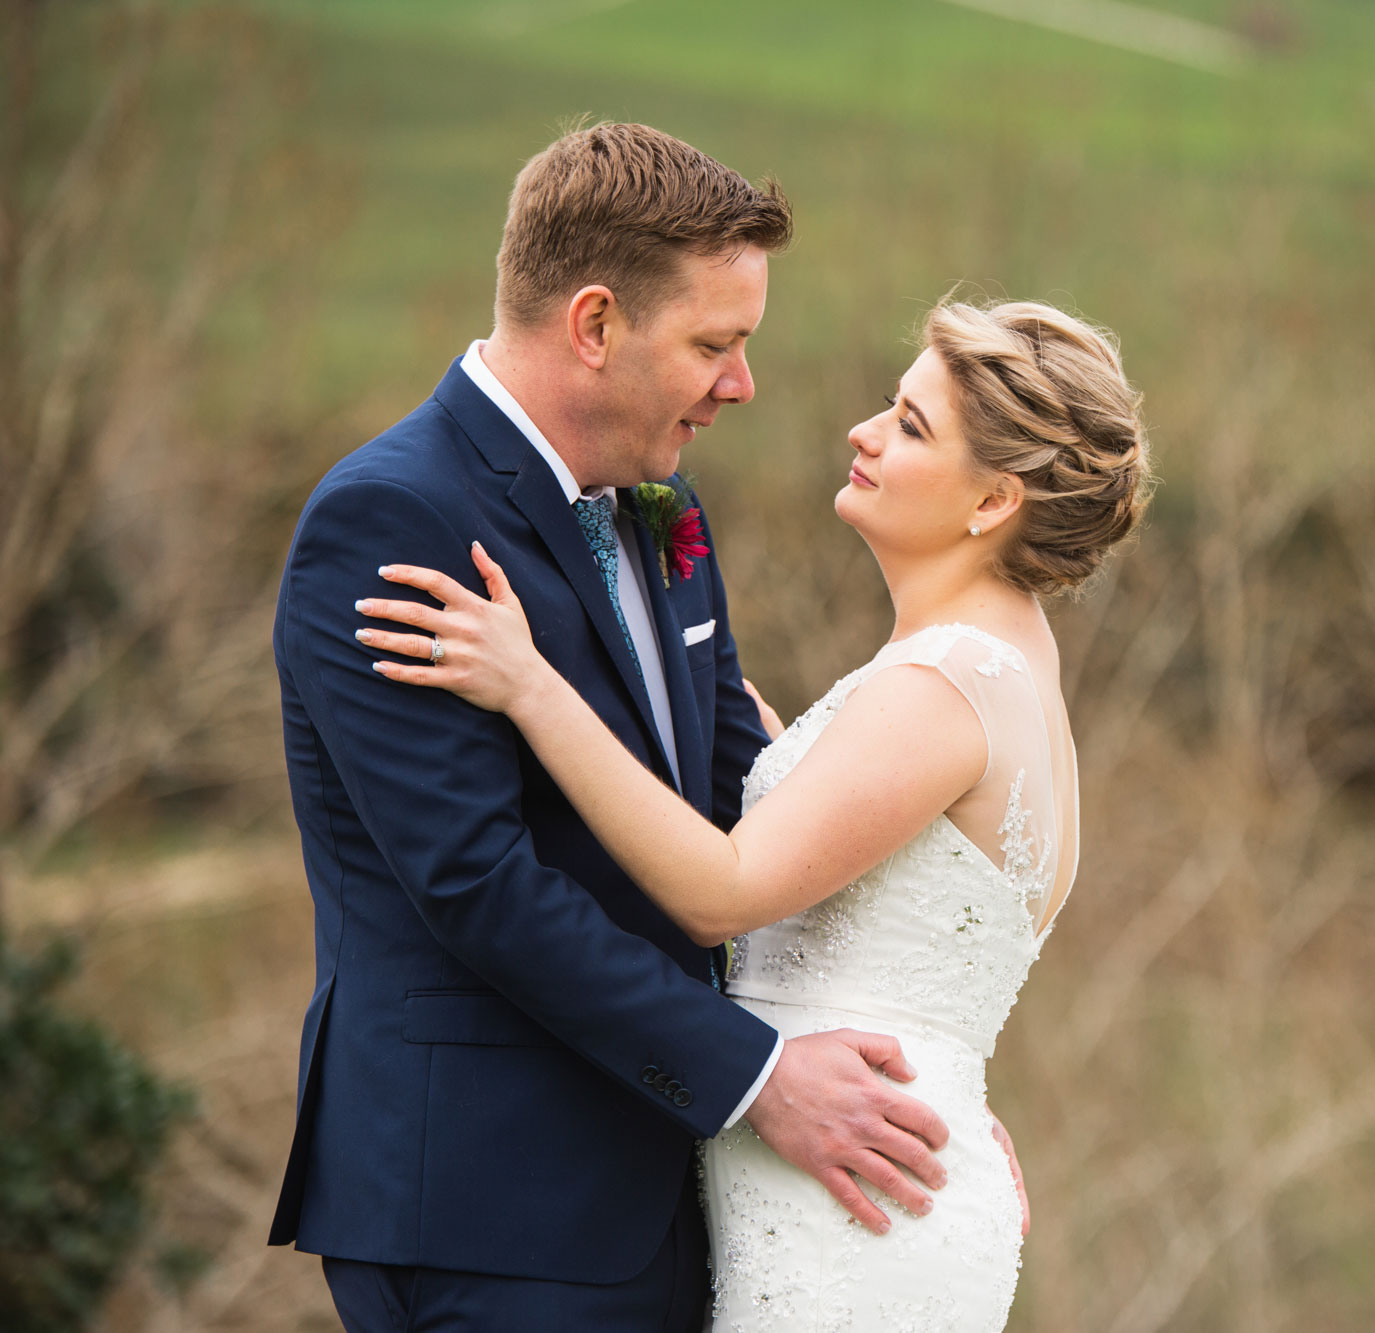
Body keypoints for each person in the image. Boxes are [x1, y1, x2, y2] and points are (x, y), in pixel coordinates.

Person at [270, 123, 975, 1332]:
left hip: (668, 1183)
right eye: (715, 344)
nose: (741, 385)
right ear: (594, 326)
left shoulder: (660, 503)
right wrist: (754, 1081)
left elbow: (741, 801)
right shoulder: (393, 519)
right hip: (491, 1209)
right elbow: (477, 882)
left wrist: (925, 1076)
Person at [357, 295, 1152, 1329]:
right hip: (872, 1183)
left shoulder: (943, 686)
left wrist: (529, 685)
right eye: (887, 406)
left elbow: (720, 891)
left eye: (909, 427)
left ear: (993, 501)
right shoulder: (995, 671)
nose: (863, 434)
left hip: (852, 1223)